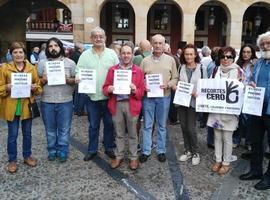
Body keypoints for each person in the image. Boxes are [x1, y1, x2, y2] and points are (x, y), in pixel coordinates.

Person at [76, 27, 119, 161]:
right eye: (95, 36)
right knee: (93, 125)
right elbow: (79, 70)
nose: (98, 38)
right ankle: (92, 149)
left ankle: (109, 148)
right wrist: (78, 77)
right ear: (91, 39)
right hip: (92, 97)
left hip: (108, 97)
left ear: (105, 38)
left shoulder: (112, 54)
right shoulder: (85, 55)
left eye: (101, 36)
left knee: (109, 124)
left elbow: (118, 72)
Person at [0, 42, 42, 173]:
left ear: (24, 53)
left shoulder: (31, 68)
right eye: (15, 52)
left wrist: (35, 88)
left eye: (20, 52)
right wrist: (6, 87)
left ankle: (27, 156)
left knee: (27, 134)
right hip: (12, 107)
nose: (18, 55)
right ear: (11, 54)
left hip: (26, 107)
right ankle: (12, 160)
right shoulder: (5, 68)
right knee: (12, 135)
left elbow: (39, 87)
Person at [103, 43, 145, 170]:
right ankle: (119, 155)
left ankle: (133, 158)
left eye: (128, 53)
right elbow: (105, 88)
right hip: (117, 105)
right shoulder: (113, 70)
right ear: (120, 55)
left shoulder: (138, 71)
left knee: (133, 133)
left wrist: (134, 90)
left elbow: (141, 92)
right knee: (119, 133)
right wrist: (109, 89)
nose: (126, 55)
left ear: (132, 54)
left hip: (131, 104)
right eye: (123, 53)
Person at [139, 34, 178, 163]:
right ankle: (146, 150)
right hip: (148, 98)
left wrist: (168, 84)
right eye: (155, 43)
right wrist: (143, 85)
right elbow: (140, 79)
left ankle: (161, 150)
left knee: (162, 125)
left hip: (164, 97)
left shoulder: (170, 60)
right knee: (147, 125)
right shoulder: (145, 61)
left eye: (160, 43)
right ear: (151, 44)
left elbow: (175, 78)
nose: (157, 45)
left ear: (164, 44)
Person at [239, 32, 270, 190]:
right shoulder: (258, 63)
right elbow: (251, 79)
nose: (265, 46)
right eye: (262, 44)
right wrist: (250, 84)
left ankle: (269, 177)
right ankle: (256, 170)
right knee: (256, 141)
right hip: (257, 108)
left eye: (268, 43)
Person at [38, 37, 76, 162]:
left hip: (65, 100)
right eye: (50, 46)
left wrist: (67, 79)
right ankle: (52, 150)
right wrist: (43, 79)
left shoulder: (70, 63)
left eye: (56, 45)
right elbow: (37, 83)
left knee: (64, 128)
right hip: (47, 101)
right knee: (50, 128)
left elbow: (75, 82)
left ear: (60, 47)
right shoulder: (42, 64)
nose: (53, 48)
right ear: (47, 49)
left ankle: (63, 150)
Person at [207, 46, 243, 175]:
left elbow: (242, 89)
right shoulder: (216, 70)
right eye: (223, 56)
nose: (225, 59)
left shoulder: (238, 71)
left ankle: (226, 162)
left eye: (229, 57)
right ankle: (218, 159)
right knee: (217, 136)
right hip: (216, 109)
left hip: (230, 111)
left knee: (227, 138)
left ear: (233, 58)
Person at [177, 44, 207, 166]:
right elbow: (178, 82)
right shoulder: (181, 67)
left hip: (194, 102)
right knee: (183, 127)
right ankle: (187, 150)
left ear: (195, 55)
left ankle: (195, 152)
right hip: (182, 101)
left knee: (191, 128)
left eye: (191, 54)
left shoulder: (201, 68)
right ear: (183, 55)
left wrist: (197, 93)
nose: (189, 56)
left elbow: (206, 86)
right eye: (186, 54)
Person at [235, 44, 257, 157]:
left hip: (250, 97)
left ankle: (248, 141)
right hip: (238, 95)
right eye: (244, 52)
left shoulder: (255, 65)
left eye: (248, 52)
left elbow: (255, 81)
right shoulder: (238, 64)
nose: (246, 54)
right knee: (238, 118)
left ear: (252, 53)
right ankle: (237, 139)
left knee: (247, 119)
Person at [70, 43, 86, 116]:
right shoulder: (80, 56)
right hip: (80, 76)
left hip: (75, 76)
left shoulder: (72, 54)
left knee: (77, 94)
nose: (83, 49)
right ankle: (80, 110)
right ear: (80, 49)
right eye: (83, 47)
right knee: (81, 94)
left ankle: (76, 109)